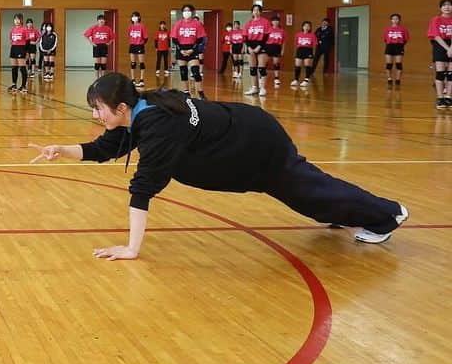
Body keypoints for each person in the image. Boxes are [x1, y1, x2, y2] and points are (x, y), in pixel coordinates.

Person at [28, 72, 410, 258]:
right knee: (301, 190)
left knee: (303, 185)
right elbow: (104, 148)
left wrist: (131, 248)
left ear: (121, 107)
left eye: (99, 108)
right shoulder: (141, 113)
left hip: (253, 145)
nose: (96, 114)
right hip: (244, 140)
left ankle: (388, 215)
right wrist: (60, 149)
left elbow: (143, 188)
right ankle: (344, 213)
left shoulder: (157, 128)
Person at [170, 4, 206, 99]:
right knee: (183, 72)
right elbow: (174, 38)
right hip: (181, 49)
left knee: (195, 72)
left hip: (192, 49)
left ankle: (200, 93)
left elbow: (200, 39)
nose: (187, 12)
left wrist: (192, 49)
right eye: (185, 10)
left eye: (188, 10)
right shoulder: (178, 24)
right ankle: (186, 93)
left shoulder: (197, 24)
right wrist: (180, 49)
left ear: (192, 12)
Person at [243, 4, 272, 97]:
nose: (256, 12)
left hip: (262, 44)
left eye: (258, 10)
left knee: (262, 68)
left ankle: (263, 88)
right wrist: (248, 47)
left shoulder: (265, 22)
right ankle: (254, 87)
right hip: (251, 44)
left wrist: (259, 46)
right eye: (254, 10)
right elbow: (245, 37)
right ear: (252, 12)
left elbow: (266, 35)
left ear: (261, 12)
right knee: (252, 68)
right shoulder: (248, 23)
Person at [429, 0, 452, 109]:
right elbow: (436, 36)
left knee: (451, 74)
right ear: (440, 8)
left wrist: (451, 48)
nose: (447, 7)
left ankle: (448, 97)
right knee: (440, 73)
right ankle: (440, 98)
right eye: (444, 5)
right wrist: (448, 49)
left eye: (449, 5)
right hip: (440, 44)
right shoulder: (436, 19)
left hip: (451, 44)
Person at [84, 15, 114, 80]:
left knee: (103, 64)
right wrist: (91, 43)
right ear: (97, 21)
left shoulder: (108, 28)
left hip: (104, 46)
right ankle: (97, 79)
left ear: (104, 21)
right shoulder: (93, 28)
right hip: (96, 46)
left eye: (102, 19)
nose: (101, 21)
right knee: (97, 64)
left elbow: (112, 37)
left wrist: (109, 42)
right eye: (100, 19)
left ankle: (103, 78)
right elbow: (86, 35)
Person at [7, 13, 30, 93]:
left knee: (22, 67)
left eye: (18, 19)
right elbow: (11, 40)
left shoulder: (24, 29)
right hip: (13, 48)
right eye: (15, 19)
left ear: (21, 20)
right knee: (14, 67)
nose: (17, 21)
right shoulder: (12, 29)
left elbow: (28, 42)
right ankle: (14, 84)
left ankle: (24, 86)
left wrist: (27, 52)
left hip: (21, 48)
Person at [291, 21, 317, 88]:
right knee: (297, 65)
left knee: (307, 65)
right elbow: (296, 43)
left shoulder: (312, 35)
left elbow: (314, 45)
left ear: (310, 27)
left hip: (308, 50)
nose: (306, 27)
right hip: (300, 50)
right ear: (302, 27)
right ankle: (296, 80)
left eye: (308, 26)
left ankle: (306, 80)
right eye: (305, 26)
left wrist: (312, 53)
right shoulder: (298, 34)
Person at [126, 12, 148, 87]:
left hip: (140, 45)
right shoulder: (130, 27)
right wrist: (133, 41)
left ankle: (141, 80)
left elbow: (146, 38)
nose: (134, 18)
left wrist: (141, 43)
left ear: (139, 17)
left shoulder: (142, 26)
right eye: (133, 16)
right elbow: (129, 36)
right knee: (133, 63)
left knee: (141, 63)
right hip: (132, 45)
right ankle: (133, 80)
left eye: (136, 16)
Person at [266, 15, 286, 88]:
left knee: (276, 63)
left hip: (277, 47)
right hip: (268, 46)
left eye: (277, 20)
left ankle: (276, 78)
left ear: (279, 22)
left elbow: (283, 42)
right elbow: (264, 39)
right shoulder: (268, 30)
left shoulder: (282, 31)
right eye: (274, 20)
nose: (275, 22)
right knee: (265, 62)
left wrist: (282, 50)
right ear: (271, 22)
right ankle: (262, 75)